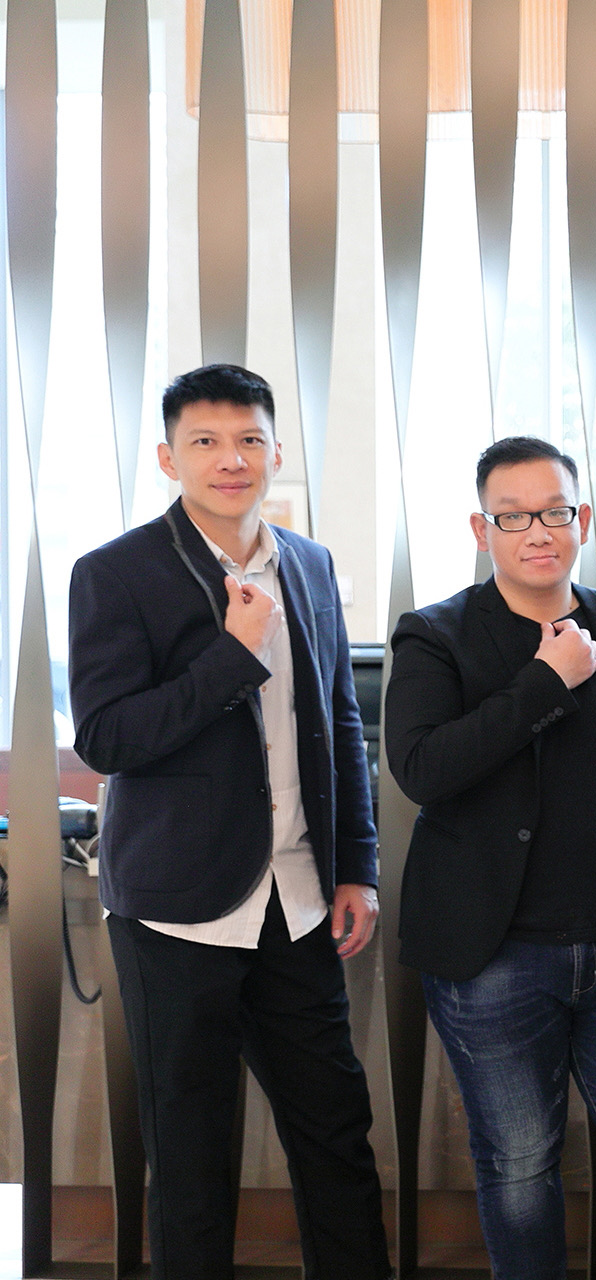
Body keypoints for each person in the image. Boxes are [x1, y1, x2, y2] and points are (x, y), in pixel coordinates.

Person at [68, 364, 388, 1279]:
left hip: (297, 899)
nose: (231, 458)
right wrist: (231, 656)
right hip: (176, 912)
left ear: (277, 452)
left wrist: (356, 867)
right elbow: (108, 737)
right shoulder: (115, 573)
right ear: (170, 458)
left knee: (336, 1135)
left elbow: (339, 722)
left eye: (249, 439)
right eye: (205, 442)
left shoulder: (310, 564)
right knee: (192, 1155)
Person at [383, 436, 596, 1280]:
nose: (538, 531)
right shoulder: (435, 635)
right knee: (519, 1162)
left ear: (583, 519)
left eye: (555, 512)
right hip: (492, 954)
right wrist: (545, 680)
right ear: (482, 529)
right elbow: (422, 769)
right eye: (514, 516)